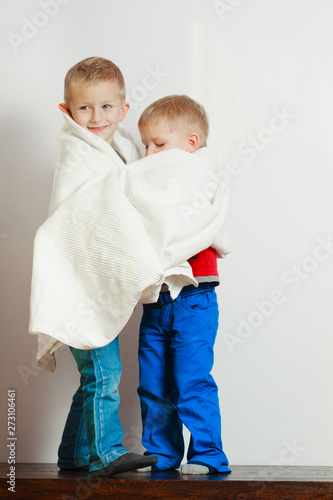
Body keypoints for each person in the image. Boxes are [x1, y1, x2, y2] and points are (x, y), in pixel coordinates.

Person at [55, 57, 158, 477]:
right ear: (67, 111)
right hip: (80, 287)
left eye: (106, 107)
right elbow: (80, 217)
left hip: (97, 287)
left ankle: (72, 455)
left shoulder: (123, 149)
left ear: (124, 109)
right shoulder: (79, 157)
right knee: (105, 373)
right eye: (84, 108)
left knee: (94, 376)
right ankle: (105, 453)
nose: (96, 117)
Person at [136, 95, 231, 475]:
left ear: (191, 144)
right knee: (153, 385)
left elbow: (204, 221)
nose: (149, 153)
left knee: (192, 381)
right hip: (156, 302)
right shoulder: (147, 182)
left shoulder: (201, 175)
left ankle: (208, 455)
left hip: (195, 298)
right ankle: (162, 455)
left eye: (159, 145)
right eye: (145, 144)